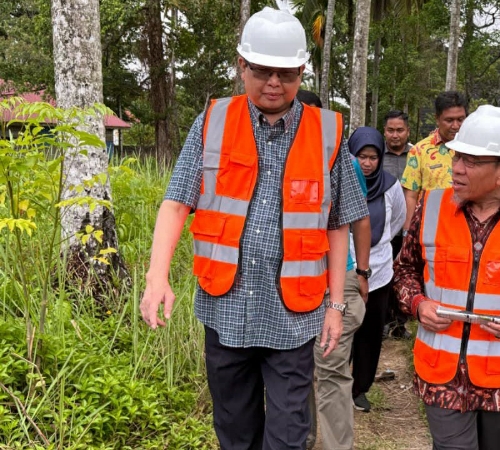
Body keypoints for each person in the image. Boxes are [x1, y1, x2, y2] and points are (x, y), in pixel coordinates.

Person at [138, 8, 369, 450]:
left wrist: (337, 305)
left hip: (294, 318)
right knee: (235, 436)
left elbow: (338, 223)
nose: (274, 84)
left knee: (287, 439)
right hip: (225, 312)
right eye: (262, 71)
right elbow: (176, 202)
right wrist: (156, 275)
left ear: (302, 71)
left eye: (287, 74)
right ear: (242, 66)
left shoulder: (328, 132)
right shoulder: (212, 122)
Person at [393, 105, 500, 450]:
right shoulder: (430, 207)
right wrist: (417, 303)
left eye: (471, 162)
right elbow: (404, 272)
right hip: (440, 371)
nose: (457, 169)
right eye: (457, 157)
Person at [296, 89, 371, 450]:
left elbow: (358, 220)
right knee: (298, 369)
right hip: (297, 280)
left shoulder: (341, 158)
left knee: (329, 368)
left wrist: (364, 273)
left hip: (336, 280)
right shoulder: (278, 157)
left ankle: (337, 446)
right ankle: (304, 439)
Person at [347, 127, 407, 413]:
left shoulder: (391, 186)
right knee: (344, 327)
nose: (367, 163)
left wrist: (377, 248)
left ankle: (360, 388)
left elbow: (397, 221)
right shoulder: (343, 181)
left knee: (371, 333)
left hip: (380, 271)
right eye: (361, 156)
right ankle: (338, 380)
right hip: (345, 268)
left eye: (373, 157)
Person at [400, 90, 468, 232]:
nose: (455, 126)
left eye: (460, 119)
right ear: (437, 119)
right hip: (430, 228)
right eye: (449, 120)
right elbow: (411, 196)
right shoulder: (419, 151)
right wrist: (408, 231)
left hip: (467, 227)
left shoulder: (476, 149)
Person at [382, 109, 414, 340]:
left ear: (407, 132)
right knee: (382, 273)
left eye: (399, 130)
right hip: (380, 227)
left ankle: (400, 323)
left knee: (404, 272)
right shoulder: (374, 154)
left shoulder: (416, 155)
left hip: (408, 225)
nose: (395, 135)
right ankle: (382, 322)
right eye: (390, 130)